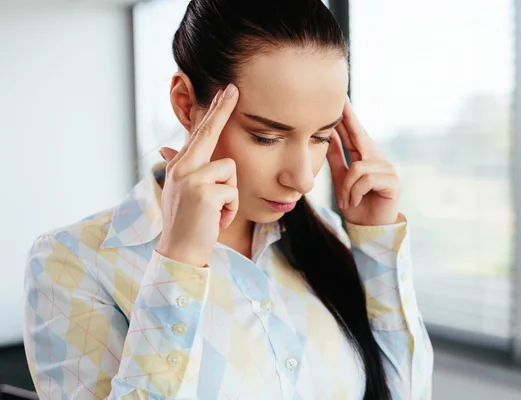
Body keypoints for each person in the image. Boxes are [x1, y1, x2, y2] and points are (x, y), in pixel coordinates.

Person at [22, 0, 433, 399]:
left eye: (321, 136)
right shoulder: (72, 262)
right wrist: (178, 262)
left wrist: (377, 241)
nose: (304, 179)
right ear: (186, 103)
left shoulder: (326, 235)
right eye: (266, 137)